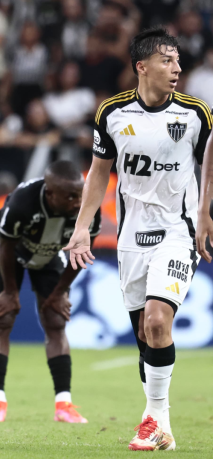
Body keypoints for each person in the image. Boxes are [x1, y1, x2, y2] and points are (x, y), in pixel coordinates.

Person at [66, 28, 212, 451]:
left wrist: (205, 213)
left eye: (178, 60)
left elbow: (210, 166)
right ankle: (159, 425)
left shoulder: (195, 114)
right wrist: (82, 227)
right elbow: (99, 173)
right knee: (146, 337)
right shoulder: (112, 113)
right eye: (167, 60)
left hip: (178, 231)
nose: (177, 68)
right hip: (131, 238)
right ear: (141, 66)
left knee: (157, 320)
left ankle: (155, 420)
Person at [0, 161, 99, 424]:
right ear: (50, 194)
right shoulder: (22, 201)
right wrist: (10, 292)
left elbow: (81, 253)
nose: (78, 202)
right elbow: (6, 245)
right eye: (70, 196)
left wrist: (60, 292)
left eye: (80, 194)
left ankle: (64, 405)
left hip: (49, 253)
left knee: (56, 320)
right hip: (10, 253)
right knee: (2, 318)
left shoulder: (89, 208)